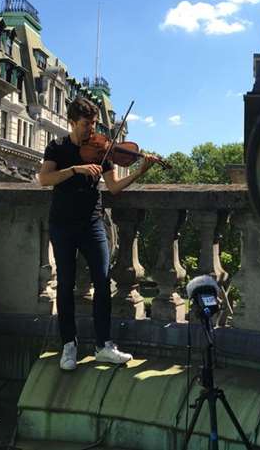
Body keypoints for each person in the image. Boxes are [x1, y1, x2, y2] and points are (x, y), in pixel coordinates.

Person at [38, 96, 160, 371]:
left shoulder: (101, 149)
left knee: (103, 283)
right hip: (63, 224)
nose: (91, 130)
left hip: (93, 222)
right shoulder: (57, 147)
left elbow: (114, 187)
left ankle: (104, 345)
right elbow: (44, 179)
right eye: (86, 124)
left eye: (93, 124)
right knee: (66, 284)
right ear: (72, 121)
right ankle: (69, 345)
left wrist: (141, 171)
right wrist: (75, 170)